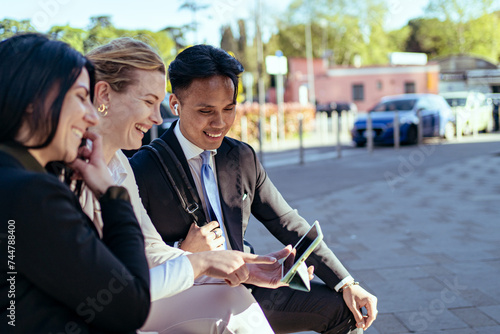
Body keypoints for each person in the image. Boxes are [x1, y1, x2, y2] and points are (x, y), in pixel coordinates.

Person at [130, 44, 379, 333]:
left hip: (248, 283)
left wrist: (347, 282)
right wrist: (183, 253)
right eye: (206, 111)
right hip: (184, 295)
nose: (220, 123)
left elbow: (286, 222)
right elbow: (129, 257)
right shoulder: (142, 168)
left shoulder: (241, 156)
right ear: (175, 104)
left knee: (346, 311)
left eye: (229, 108)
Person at [84, 37, 301, 333]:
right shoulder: (74, 167)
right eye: (148, 102)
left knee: (231, 297)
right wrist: (201, 263)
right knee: (228, 302)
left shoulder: (119, 165)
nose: (158, 117)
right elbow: (113, 287)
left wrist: (240, 265)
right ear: (104, 94)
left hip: (129, 302)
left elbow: (151, 251)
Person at [0, 33, 150, 333]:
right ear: (33, 97)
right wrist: (111, 195)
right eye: (82, 97)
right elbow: (130, 305)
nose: (92, 118)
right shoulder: (33, 194)